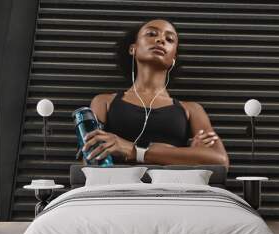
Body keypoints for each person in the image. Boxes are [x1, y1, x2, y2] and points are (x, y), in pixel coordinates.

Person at [82, 19, 229, 170]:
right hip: (118, 190)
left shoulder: (192, 110)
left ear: (174, 57)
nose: (160, 40)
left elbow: (220, 161)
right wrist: (185, 154)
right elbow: (91, 159)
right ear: (133, 48)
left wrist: (133, 150)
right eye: (151, 34)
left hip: (175, 191)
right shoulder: (104, 102)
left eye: (169, 39)